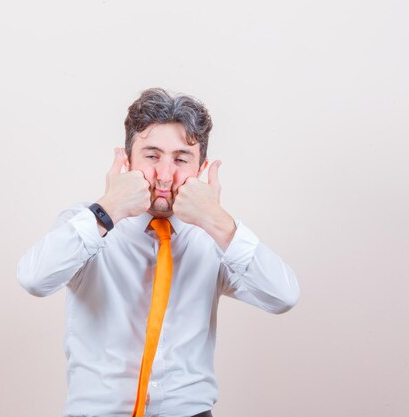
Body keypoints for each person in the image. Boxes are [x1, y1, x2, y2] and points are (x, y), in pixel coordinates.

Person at [17, 88, 300, 417]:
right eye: (152, 156)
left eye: (181, 159)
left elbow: (283, 296)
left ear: (201, 169)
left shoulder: (216, 238)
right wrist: (107, 210)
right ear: (126, 160)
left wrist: (218, 222)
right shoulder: (85, 226)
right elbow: (34, 279)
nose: (165, 175)